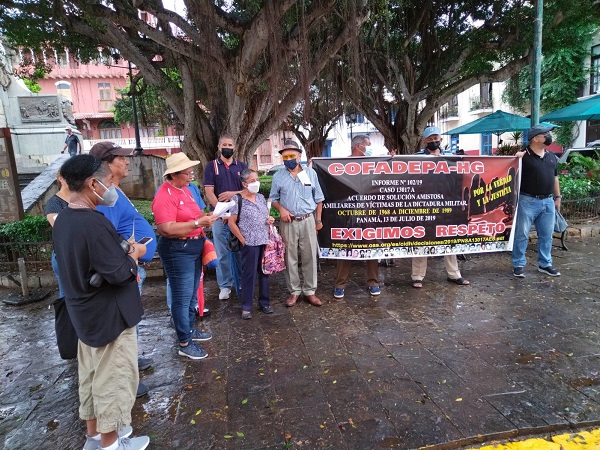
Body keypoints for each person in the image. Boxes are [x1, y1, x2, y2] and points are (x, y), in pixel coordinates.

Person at [52, 155, 150, 450]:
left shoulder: (64, 220)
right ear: (92, 183)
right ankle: (111, 444)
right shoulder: (93, 223)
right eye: (108, 182)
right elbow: (119, 273)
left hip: (84, 315)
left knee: (92, 378)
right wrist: (134, 255)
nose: (111, 188)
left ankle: (94, 436)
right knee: (113, 380)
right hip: (110, 317)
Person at [89, 141, 157, 395]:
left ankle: (130, 362)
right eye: (121, 158)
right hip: (126, 270)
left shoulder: (115, 190)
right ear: (107, 163)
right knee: (123, 324)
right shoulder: (105, 196)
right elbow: (107, 240)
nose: (127, 161)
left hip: (132, 268)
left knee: (131, 323)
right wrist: (133, 254)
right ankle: (125, 378)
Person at [152, 152, 219, 360]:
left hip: (193, 246)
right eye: (187, 171)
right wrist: (198, 224)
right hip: (177, 250)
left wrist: (205, 217)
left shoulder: (186, 190)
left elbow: (195, 213)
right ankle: (184, 342)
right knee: (181, 298)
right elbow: (166, 228)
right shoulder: (164, 195)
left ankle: (189, 330)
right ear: (173, 174)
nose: (191, 174)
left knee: (191, 294)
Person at [411, 126, 470, 289]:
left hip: (446, 205)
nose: (433, 141)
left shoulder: (451, 158)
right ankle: (417, 276)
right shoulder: (415, 158)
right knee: (421, 239)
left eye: (435, 138)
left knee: (449, 238)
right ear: (424, 141)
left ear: (441, 139)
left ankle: (454, 274)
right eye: (429, 139)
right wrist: (393, 158)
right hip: (423, 204)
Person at [269, 139, 324, 307]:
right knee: (290, 257)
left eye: (292, 155)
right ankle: (294, 292)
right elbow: (273, 199)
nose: (288, 159)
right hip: (288, 223)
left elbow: (319, 199)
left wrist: (318, 220)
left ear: (299, 155)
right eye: (285, 156)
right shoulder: (278, 175)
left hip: (308, 220)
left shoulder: (310, 173)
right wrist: (281, 209)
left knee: (309, 256)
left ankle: (310, 291)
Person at [333, 135, 381, 299]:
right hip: (348, 214)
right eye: (367, 145)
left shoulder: (372, 163)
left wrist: (392, 160)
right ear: (358, 146)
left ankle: (373, 282)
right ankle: (340, 284)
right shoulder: (342, 164)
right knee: (346, 249)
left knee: (372, 248)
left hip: (369, 214)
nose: (368, 148)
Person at [512, 125, 561, 278]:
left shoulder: (552, 156)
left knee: (546, 235)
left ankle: (545, 264)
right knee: (522, 234)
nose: (548, 136)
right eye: (545, 134)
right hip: (527, 200)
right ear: (535, 138)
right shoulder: (522, 157)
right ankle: (518, 264)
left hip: (547, 201)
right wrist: (516, 158)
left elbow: (555, 178)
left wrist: (557, 197)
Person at [203, 135, 247, 300]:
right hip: (219, 217)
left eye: (230, 144)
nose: (227, 147)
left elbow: (247, 190)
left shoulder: (241, 166)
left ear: (234, 147)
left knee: (241, 250)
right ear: (219, 146)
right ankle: (225, 285)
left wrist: (232, 194)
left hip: (239, 216)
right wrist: (220, 212)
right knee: (221, 252)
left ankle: (242, 282)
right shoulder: (211, 166)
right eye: (224, 144)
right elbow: (209, 191)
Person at [228, 169, 275, 319]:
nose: (256, 183)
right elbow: (231, 222)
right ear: (244, 184)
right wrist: (242, 239)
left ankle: (264, 303)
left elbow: (265, 216)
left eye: (257, 179)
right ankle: (246, 306)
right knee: (249, 274)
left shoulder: (260, 197)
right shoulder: (237, 199)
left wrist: (269, 220)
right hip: (249, 243)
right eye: (252, 181)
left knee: (264, 273)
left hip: (263, 240)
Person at [44, 168, 70, 298]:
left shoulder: (81, 199)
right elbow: (61, 227)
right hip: (64, 256)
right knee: (66, 295)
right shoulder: (54, 203)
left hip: (81, 254)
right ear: (61, 179)